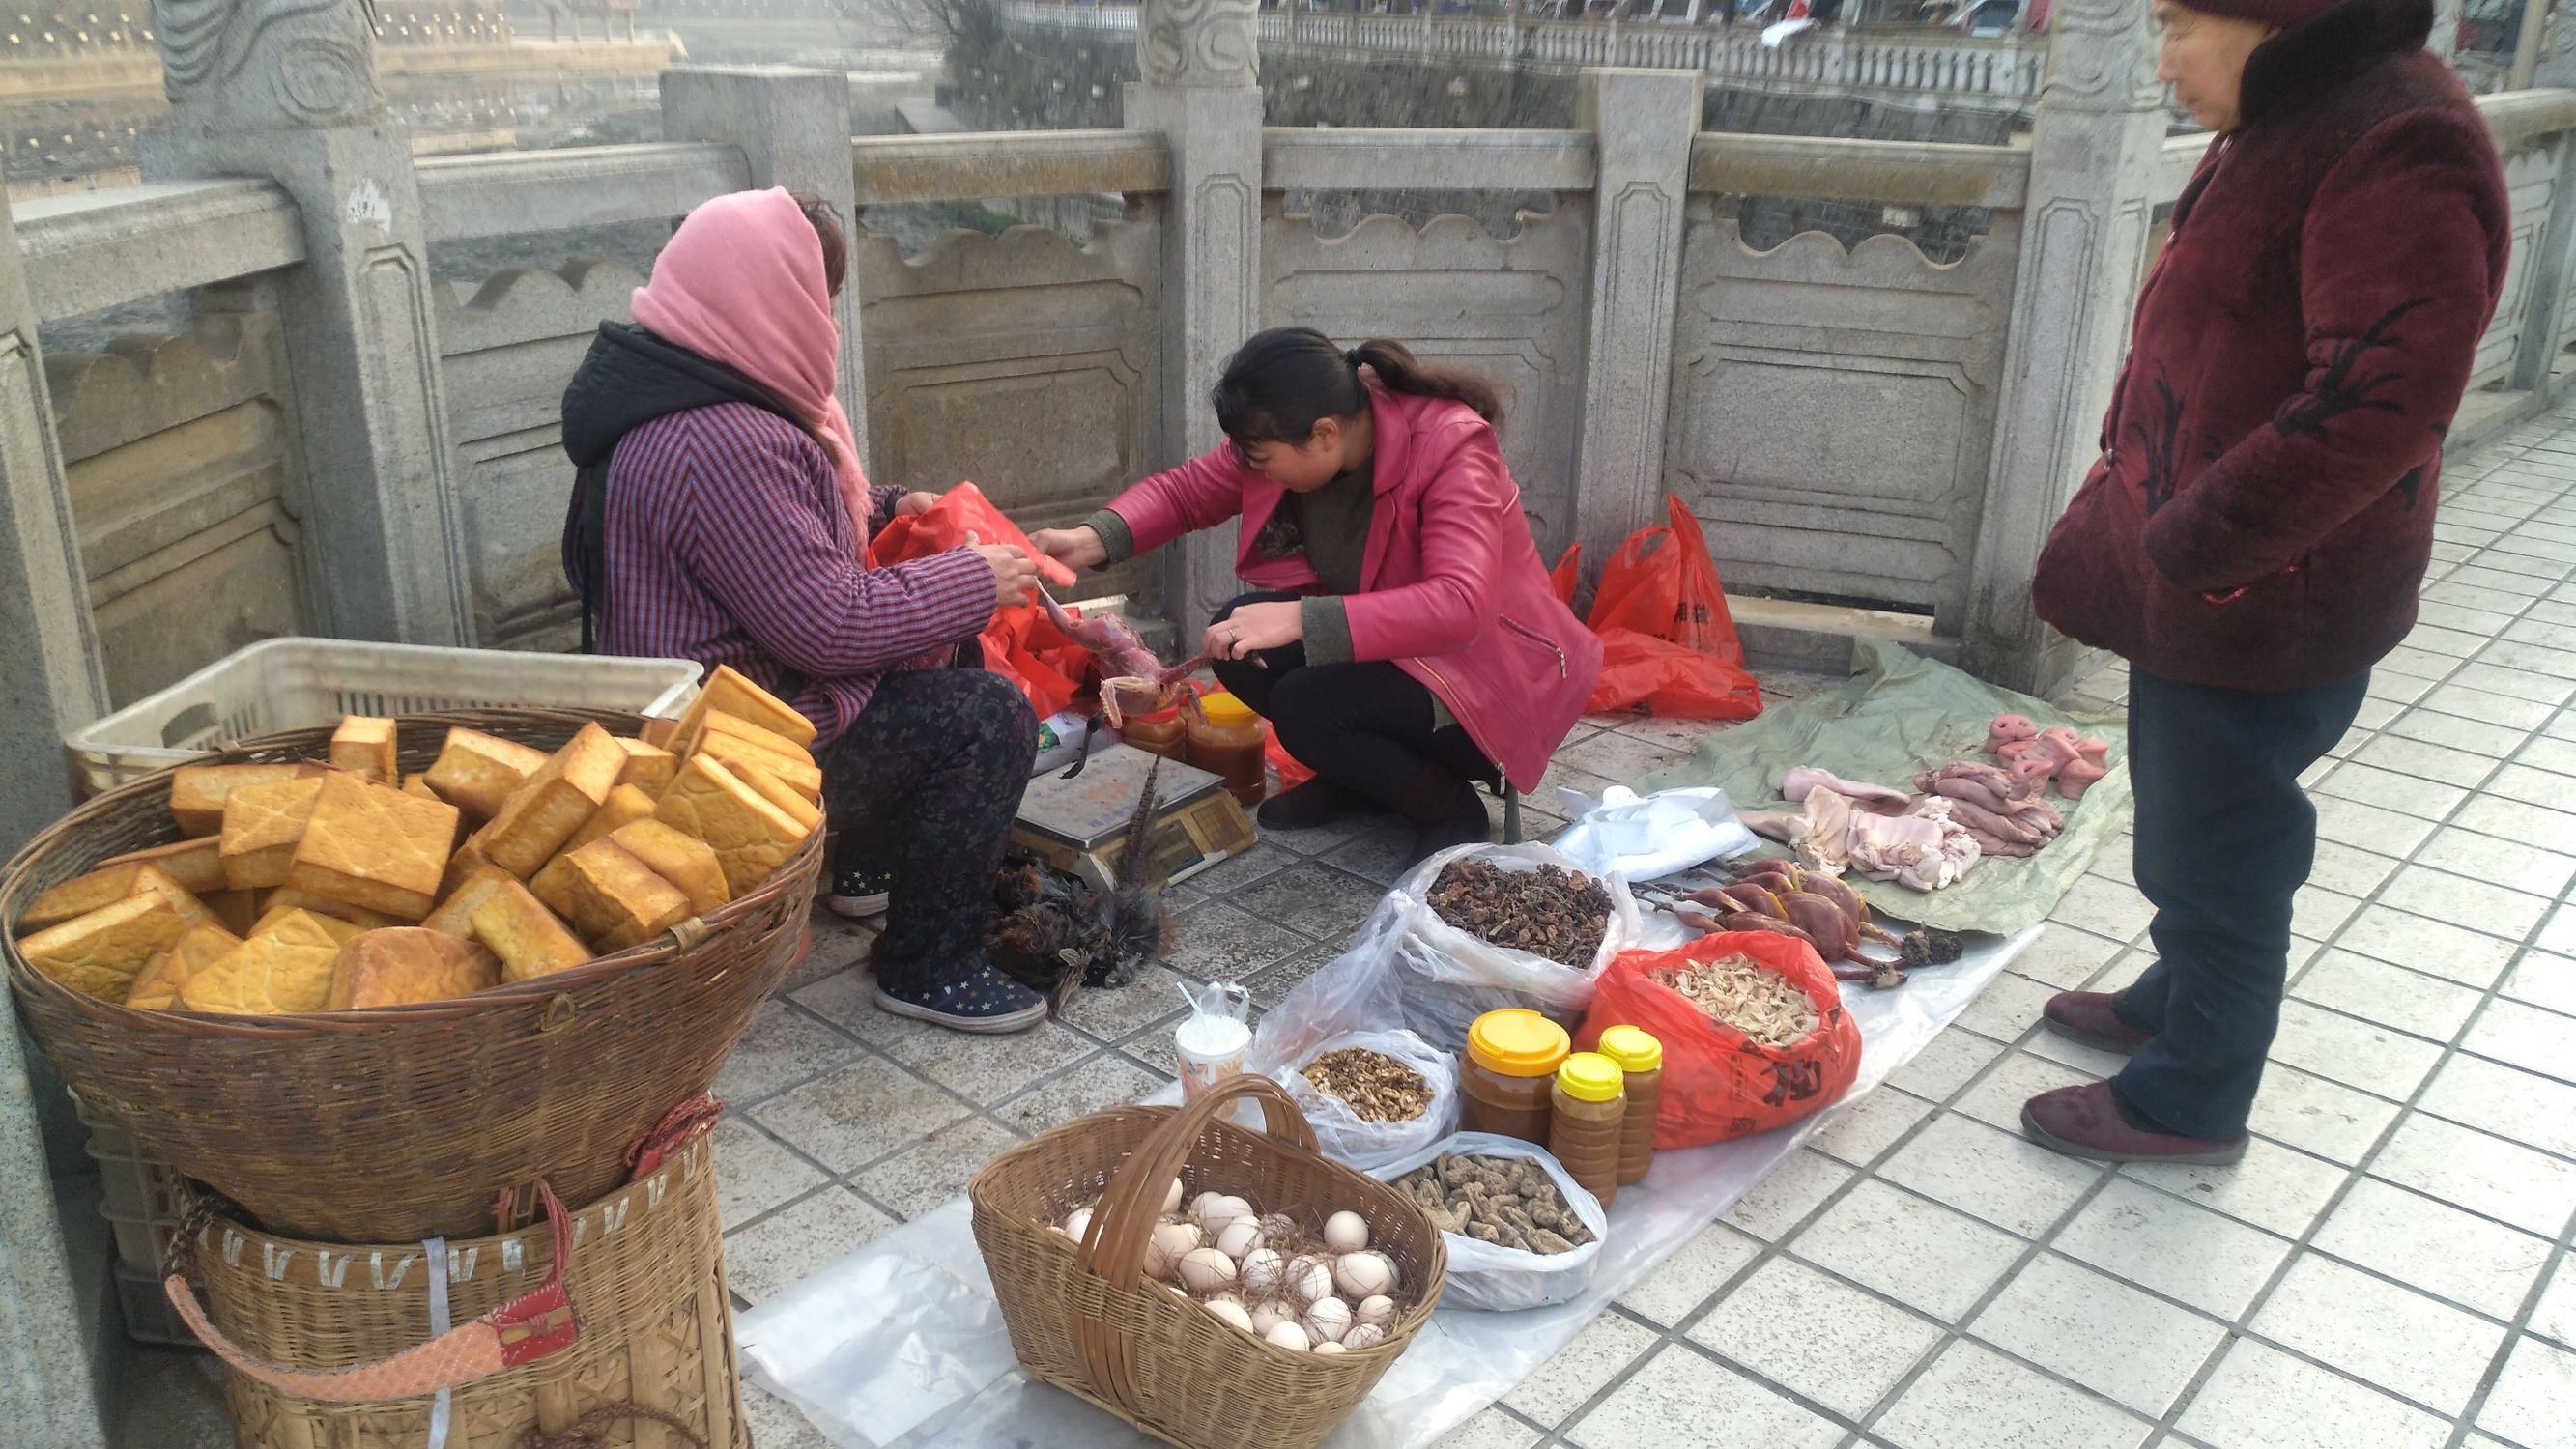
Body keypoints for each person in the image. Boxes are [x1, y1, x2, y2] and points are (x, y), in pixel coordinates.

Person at [2020, 0, 2508, 1163]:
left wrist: (2198, 542)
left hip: (2263, 589)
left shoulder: (2394, 135)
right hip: (2206, 579)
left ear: (2267, 20)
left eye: (2178, 27)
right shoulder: (2296, 111)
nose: (2163, 61)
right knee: (2186, 817)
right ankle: (2172, 998)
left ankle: (2188, 1096)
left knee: (2222, 852)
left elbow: (2383, 400)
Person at [558, 187, 1052, 1036]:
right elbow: (828, 627)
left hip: (708, 714)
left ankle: (861, 872)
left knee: (936, 659)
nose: (823, 318)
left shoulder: (677, 387)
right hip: (727, 759)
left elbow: (778, 538)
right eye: (814, 296)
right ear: (765, 297)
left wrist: (896, 507)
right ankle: (929, 966)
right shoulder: (727, 441)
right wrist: (975, 580)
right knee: (985, 714)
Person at [1031, 328, 1602, 867]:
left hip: (1485, 680)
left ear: (1325, 433)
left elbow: (1459, 603)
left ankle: (1448, 808)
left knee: (1309, 704)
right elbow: (1187, 493)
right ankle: (1365, 780)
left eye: (1259, 455)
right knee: (1234, 635)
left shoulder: (1453, 447)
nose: (1248, 467)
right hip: (1400, 648)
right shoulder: (1299, 438)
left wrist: (1302, 617)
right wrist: (1090, 540)